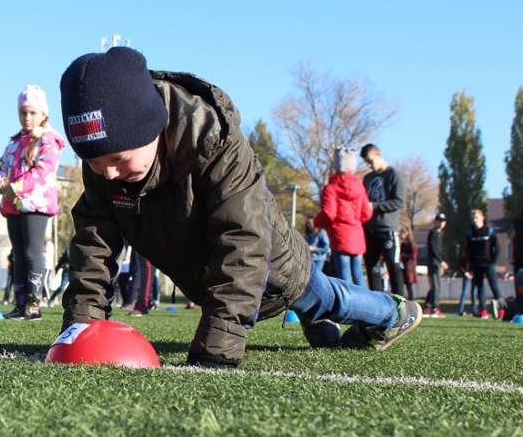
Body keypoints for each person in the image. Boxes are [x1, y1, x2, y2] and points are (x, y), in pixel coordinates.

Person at [57, 47, 421, 367]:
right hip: (208, 272)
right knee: (317, 311)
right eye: (91, 160)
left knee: (324, 297)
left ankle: (394, 312)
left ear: (152, 128)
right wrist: (83, 329)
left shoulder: (215, 146)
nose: (107, 173)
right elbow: (93, 245)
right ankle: (318, 324)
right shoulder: (105, 165)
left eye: (119, 159)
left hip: (272, 270)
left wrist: (217, 347)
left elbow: (243, 240)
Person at [0, 85, 66, 321]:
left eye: (32, 112)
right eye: (23, 113)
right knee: (18, 254)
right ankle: (20, 302)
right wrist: (1, 182)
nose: (27, 117)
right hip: (12, 206)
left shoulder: (49, 140)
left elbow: (44, 170)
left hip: (35, 205)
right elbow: (1, 166)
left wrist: (16, 187)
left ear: (43, 114)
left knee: (32, 252)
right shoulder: (15, 142)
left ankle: (34, 303)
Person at [313, 148, 370, 287]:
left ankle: (348, 307)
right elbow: (367, 212)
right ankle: (364, 306)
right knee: (358, 276)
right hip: (357, 236)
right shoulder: (360, 187)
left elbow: (328, 213)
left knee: (344, 278)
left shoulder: (331, 188)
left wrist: (316, 222)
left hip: (340, 237)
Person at [360, 144, 406, 297]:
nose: (369, 165)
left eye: (370, 160)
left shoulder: (394, 175)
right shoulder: (367, 178)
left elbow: (399, 201)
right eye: (366, 162)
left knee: (393, 267)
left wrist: (375, 206)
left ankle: (401, 305)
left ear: (379, 155)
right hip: (369, 229)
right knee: (372, 269)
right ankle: (377, 306)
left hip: (387, 229)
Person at [463, 209, 503, 319]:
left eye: (476, 217)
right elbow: (468, 251)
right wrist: (469, 266)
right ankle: (483, 310)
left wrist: (493, 261)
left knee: (494, 285)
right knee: (480, 287)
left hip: (488, 263)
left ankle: (501, 309)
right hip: (476, 264)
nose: (474, 220)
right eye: (472, 218)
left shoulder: (489, 231)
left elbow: (497, 248)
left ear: (482, 218)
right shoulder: (470, 234)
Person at [398, 227, 418, 301]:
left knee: (409, 285)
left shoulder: (411, 244)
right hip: (404, 266)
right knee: (403, 284)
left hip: (409, 268)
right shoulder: (403, 244)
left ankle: (412, 299)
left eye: (403, 233)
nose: (402, 235)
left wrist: (404, 255)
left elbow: (413, 255)